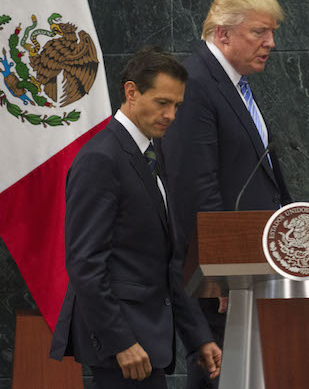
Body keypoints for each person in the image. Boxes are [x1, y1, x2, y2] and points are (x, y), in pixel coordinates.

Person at [50, 46, 222, 389]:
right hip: (123, 347)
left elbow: (169, 263)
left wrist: (198, 337)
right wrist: (120, 342)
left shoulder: (151, 155)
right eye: (162, 102)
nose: (170, 115)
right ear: (131, 92)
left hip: (147, 341)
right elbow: (85, 263)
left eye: (177, 106)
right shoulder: (101, 158)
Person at [161, 0, 293, 388]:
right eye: (259, 32)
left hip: (253, 268)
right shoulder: (196, 84)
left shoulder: (234, 84)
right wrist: (221, 272)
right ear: (223, 33)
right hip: (222, 278)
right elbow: (194, 188)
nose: (270, 43)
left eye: (272, 33)